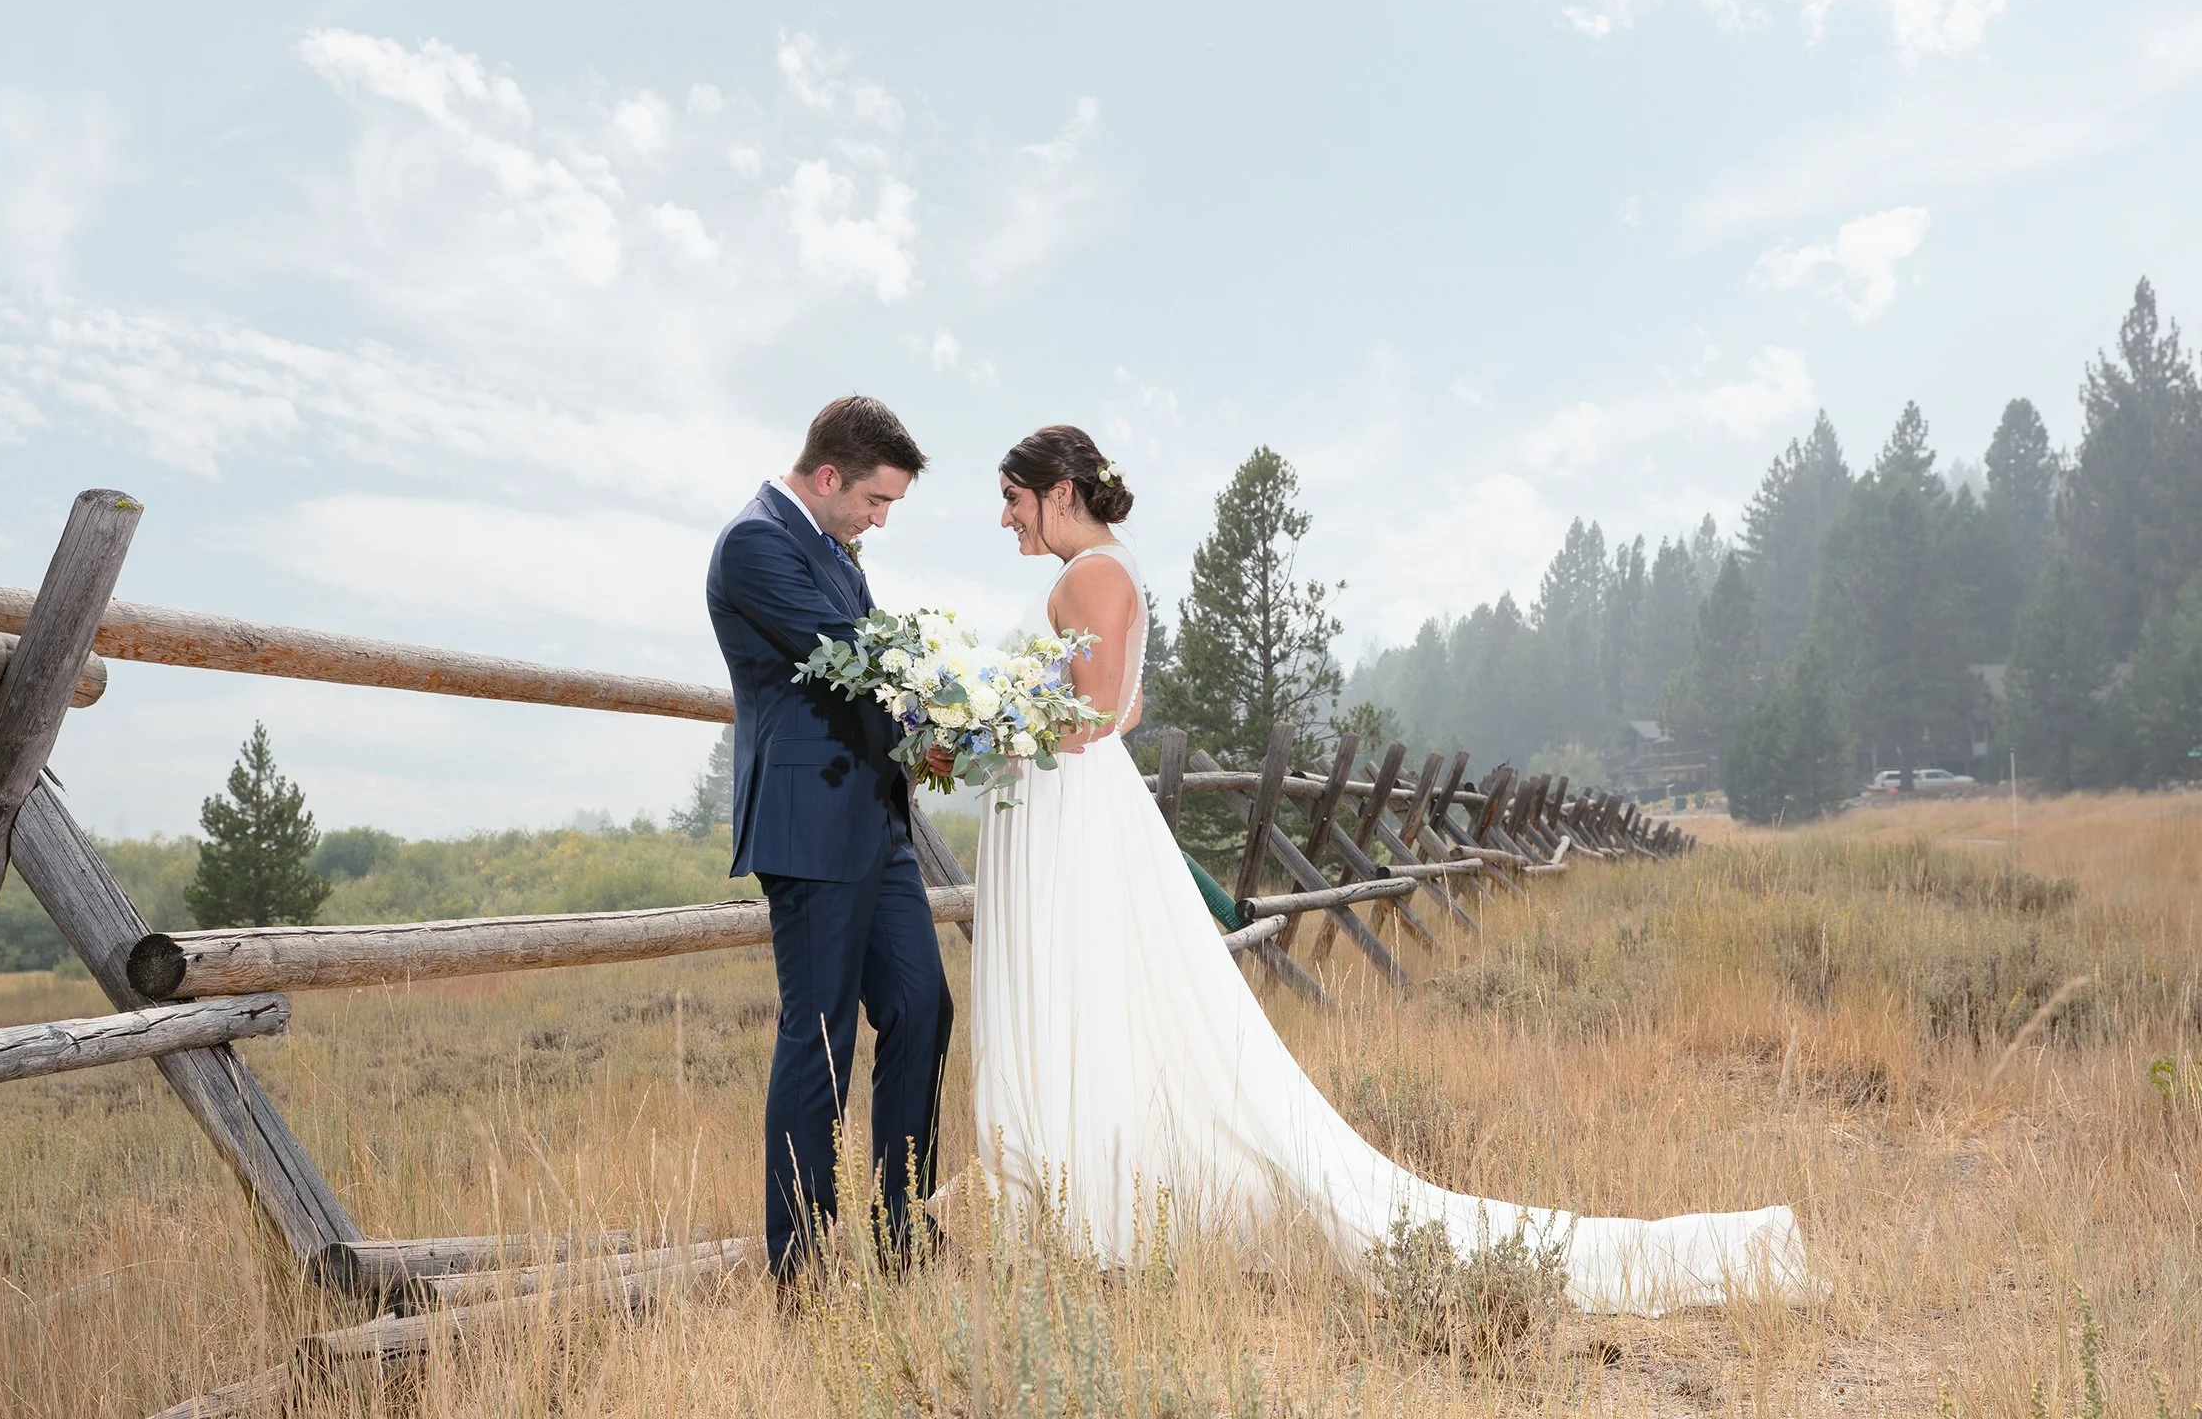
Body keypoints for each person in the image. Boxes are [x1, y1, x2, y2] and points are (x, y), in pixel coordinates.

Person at [967, 424, 1810, 1314]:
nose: (1005, 518)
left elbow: (1097, 717)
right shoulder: (1108, 572)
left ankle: (1074, 1197)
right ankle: (1076, 1189)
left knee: (1082, 989)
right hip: (1071, 812)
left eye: (1013, 498)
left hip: (1073, 814)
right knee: (1091, 994)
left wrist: (983, 724)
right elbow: (1130, 709)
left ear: (1060, 490)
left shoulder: (1091, 575)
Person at [704, 396, 953, 1284]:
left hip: (876, 824)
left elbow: (877, 658)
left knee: (924, 1006)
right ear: (828, 477)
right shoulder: (756, 542)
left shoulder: (834, 548)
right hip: (809, 828)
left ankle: (899, 1227)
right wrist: (958, 691)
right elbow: (853, 652)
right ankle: (801, 1262)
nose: (880, 521)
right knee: (819, 1037)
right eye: (876, 502)